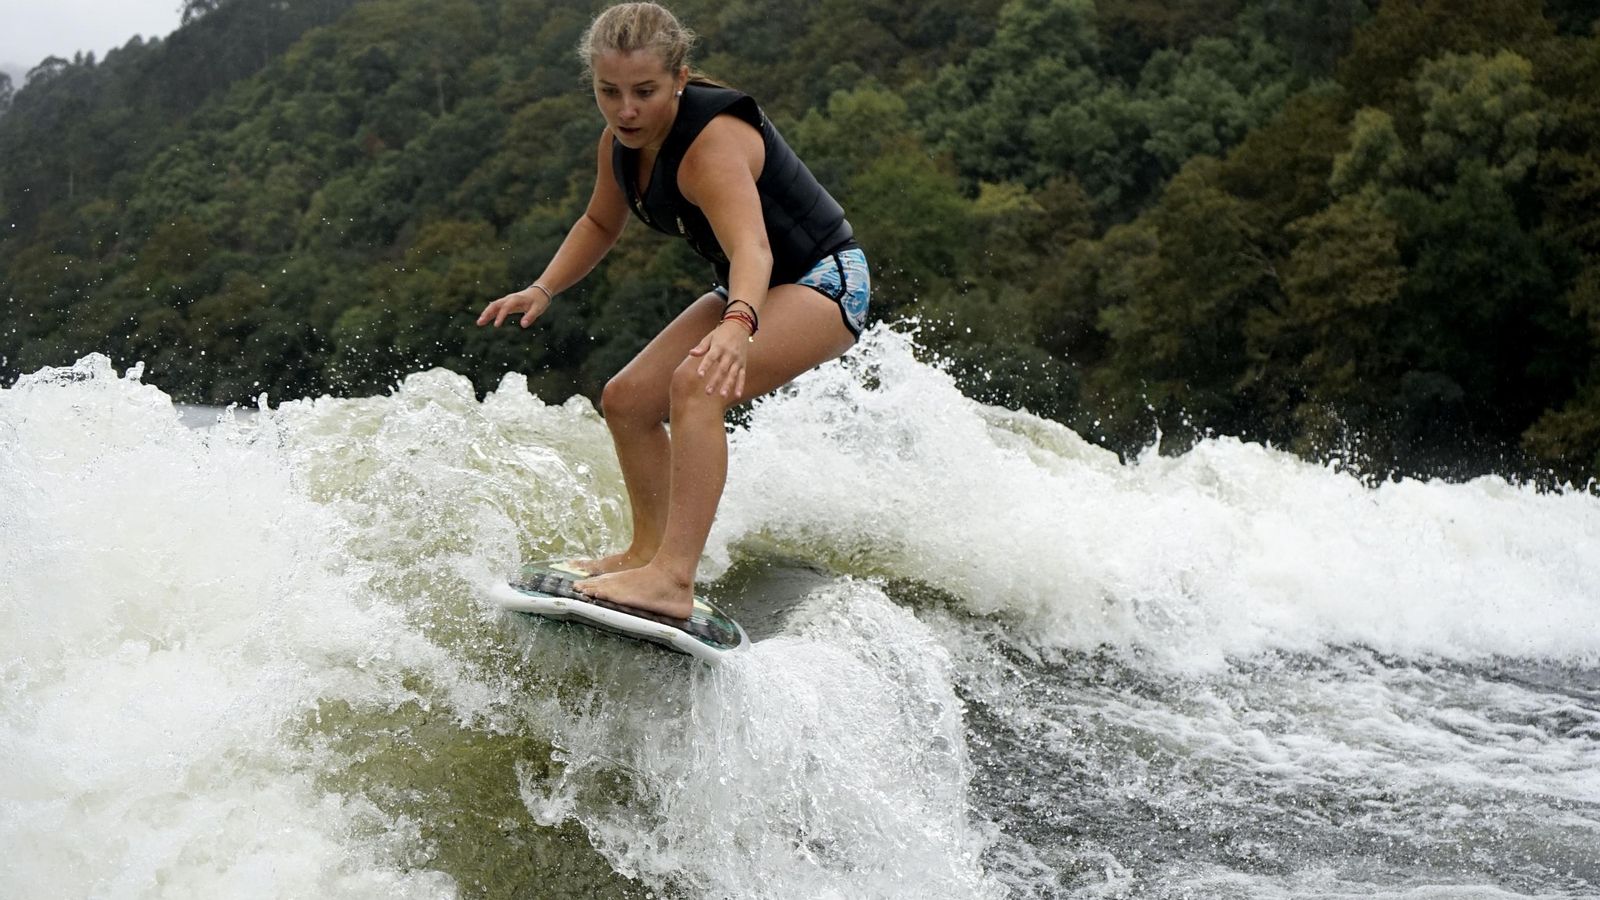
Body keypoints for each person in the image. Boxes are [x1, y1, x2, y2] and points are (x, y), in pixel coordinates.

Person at [477, 1, 870, 621]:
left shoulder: (712, 142)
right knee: (629, 399)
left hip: (823, 280)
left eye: (644, 91)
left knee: (696, 385)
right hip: (750, 288)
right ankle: (647, 552)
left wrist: (738, 325)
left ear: (680, 79)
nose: (626, 109)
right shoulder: (619, 145)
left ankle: (673, 579)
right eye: (609, 92)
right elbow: (599, 221)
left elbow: (753, 248)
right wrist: (543, 289)